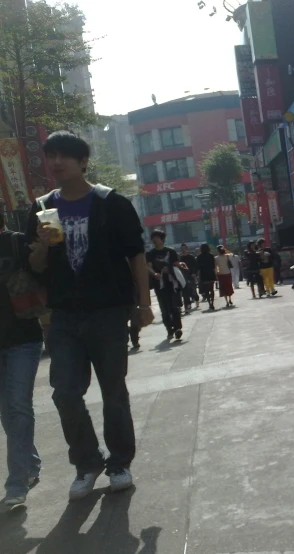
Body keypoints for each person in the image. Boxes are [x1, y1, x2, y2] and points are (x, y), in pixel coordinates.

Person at [27, 130, 153, 499]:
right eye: (51, 156)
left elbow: (137, 255)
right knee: (64, 393)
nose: (56, 162)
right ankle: (87, 463)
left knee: (113, 392)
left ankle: (119, 463)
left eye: (65, 155)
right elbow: (34, 266)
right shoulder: (40, 207)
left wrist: (143, 305)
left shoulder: (110, 203)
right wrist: (38, 246)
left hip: (108, 313)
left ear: (83, 162)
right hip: (64, 316)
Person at [0, 219, 43, 509]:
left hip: (23, 338)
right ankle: (30, 463)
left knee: (18, 405)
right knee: (6, 411)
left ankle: (16, 483)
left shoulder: (15, 242)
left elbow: (41, 275)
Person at [147, 230, 183, 340]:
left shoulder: (171, 251)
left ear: (162, 239)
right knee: (164, 308)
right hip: (159, 284)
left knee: (174, 306)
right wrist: (154, 273)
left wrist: (181, 265)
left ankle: (177, 328)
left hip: (172, 283)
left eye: (157, 237)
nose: (154, 240)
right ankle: (169, 329)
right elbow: (148, 266)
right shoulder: (150, 254)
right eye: (153, 238)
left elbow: (176, 264)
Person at [196, 243, 217, 311]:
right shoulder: (211, 256)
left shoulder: (199, 257)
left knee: (206, 290)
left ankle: (209, 303)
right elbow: (213, 266)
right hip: (210, 273)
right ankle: (212, 303)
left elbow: (198, 267)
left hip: (203, 274)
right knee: (212, 289)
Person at [179, 244, 199, 312]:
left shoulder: (191, 257)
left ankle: (196, 301)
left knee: (193, 289)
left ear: (187, 249)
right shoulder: (180, 258)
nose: (183, 250)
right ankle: (188, 304)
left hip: (191, 275)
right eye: (182, 248)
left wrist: (195, 273)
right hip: (184, 276)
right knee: (186, 291)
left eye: (184, 248)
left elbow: (195, 266)